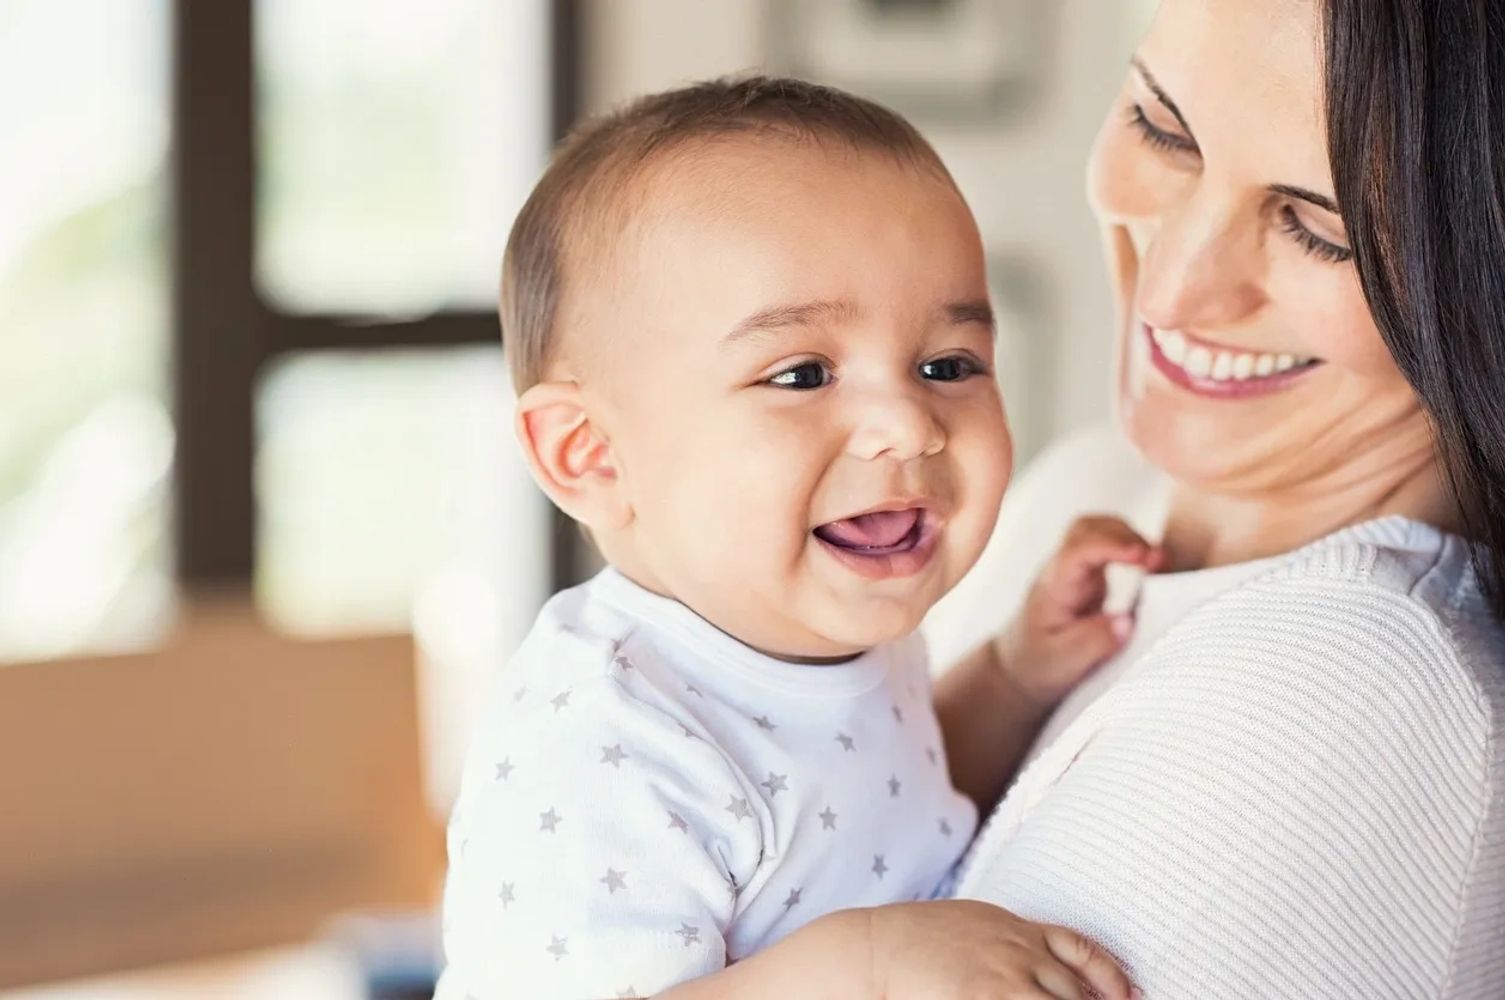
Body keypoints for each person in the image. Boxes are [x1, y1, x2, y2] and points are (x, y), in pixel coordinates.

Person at [657, 1, 1505, 997]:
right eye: (1162, 127)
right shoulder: (1088, 489)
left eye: (1319, 231)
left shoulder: (1349, 689)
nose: (1172, 292)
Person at [433, 77, 1148, 1000]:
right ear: (592, 456)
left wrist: (1015, 674)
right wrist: (868, 969)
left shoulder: (838, 638)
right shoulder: (603, 745)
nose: (909, 424)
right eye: (802, 373)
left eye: (947, 365)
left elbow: (884, 803)